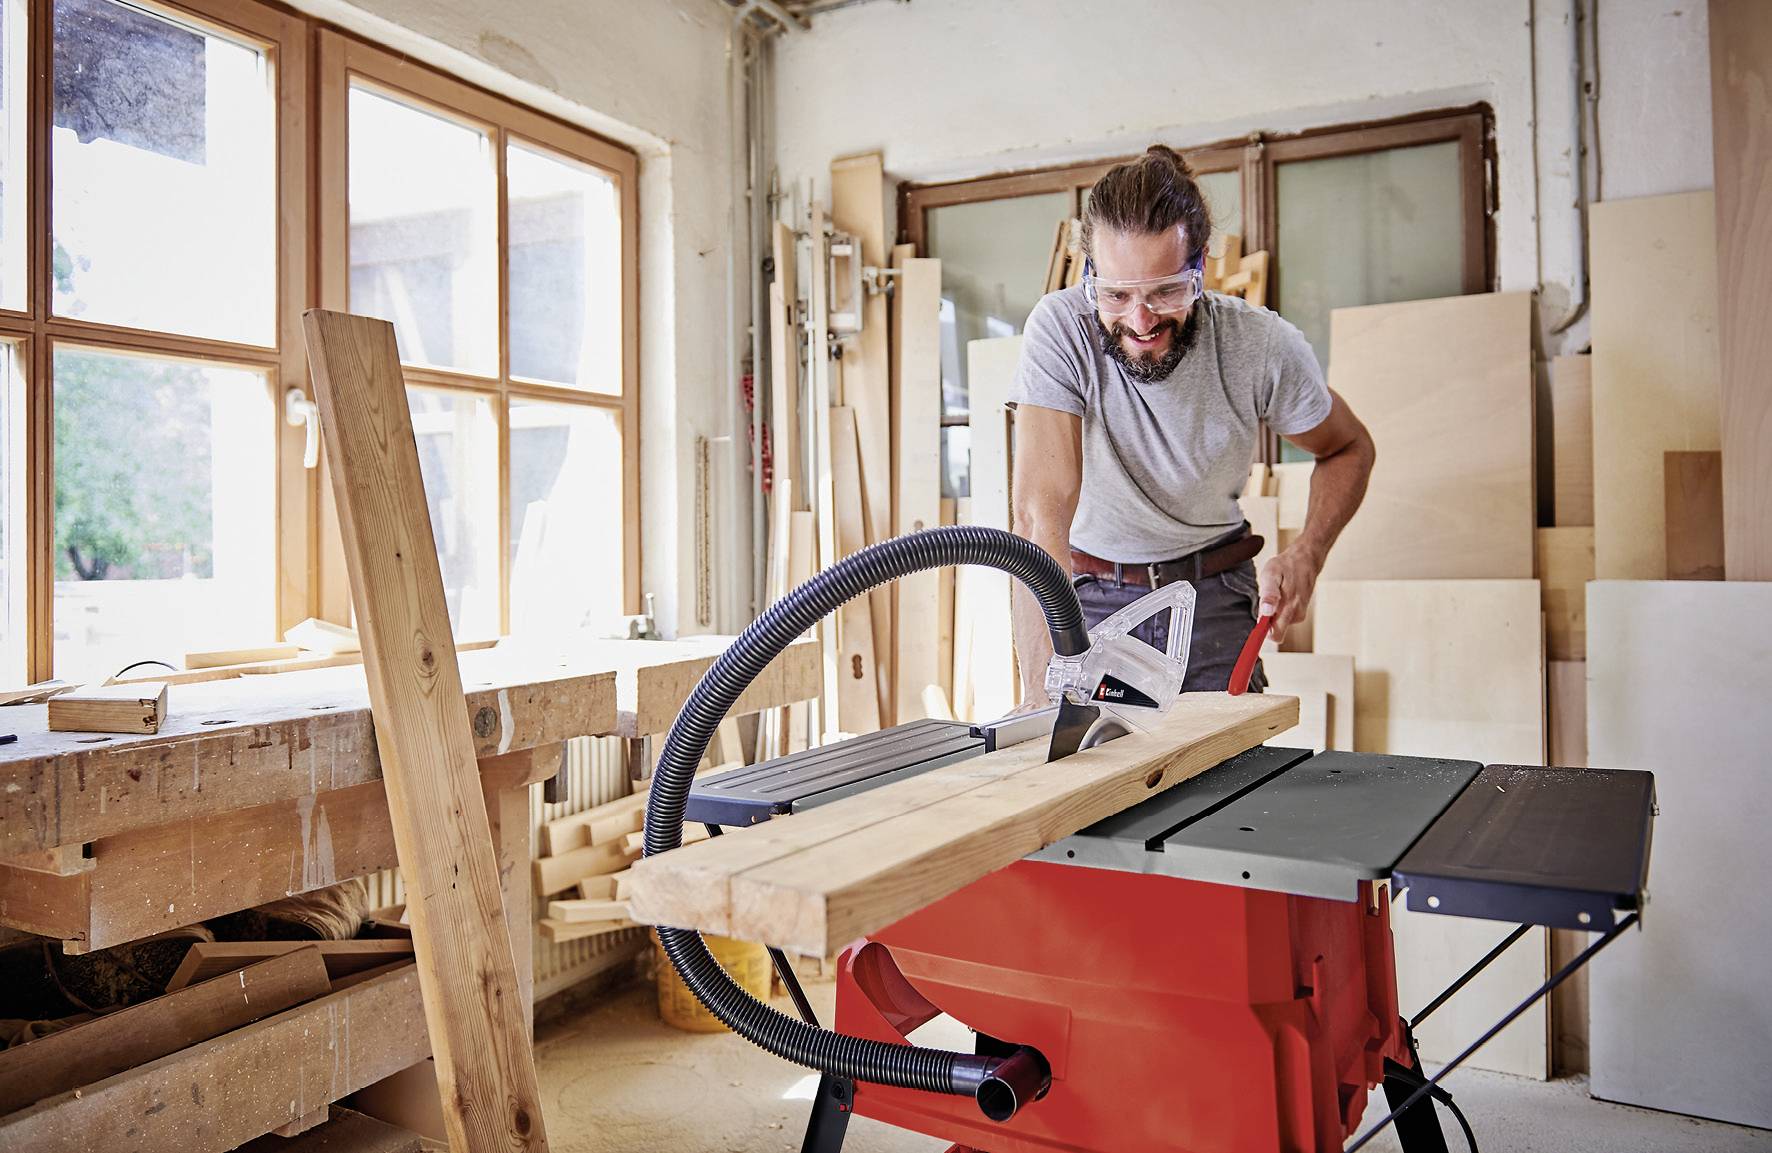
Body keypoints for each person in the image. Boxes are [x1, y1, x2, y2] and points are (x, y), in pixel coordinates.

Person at [1009, 144, 1375, 701]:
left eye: (1165, 292)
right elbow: (1041, 521)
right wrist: (1040, 699)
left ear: (1201, 265)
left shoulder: (1259, 345)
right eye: (1115, 295)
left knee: (1229, 782)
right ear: (1090, 274)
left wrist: (1308, 553)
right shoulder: (1062, 332)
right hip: (1089, 600)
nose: (1139, 320)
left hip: (1213, 596)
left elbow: (1348, 447)